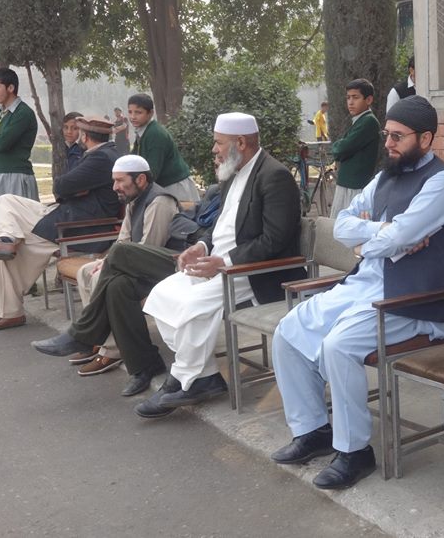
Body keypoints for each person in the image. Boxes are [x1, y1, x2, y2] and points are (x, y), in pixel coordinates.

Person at [31, 113, 304, 401]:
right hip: (209, 263)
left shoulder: (274, 176)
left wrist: (225, 262)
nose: (214, 149)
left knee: (127, 258)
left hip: (250, 273)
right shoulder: (232, 173)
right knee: (123, 286)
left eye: (218, 142)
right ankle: (153, 367)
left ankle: (186, 374)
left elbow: (274, 239)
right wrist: (202, 246)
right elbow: (220, 227)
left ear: (241, 142)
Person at [269, 96, 444, 490]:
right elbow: (342, 226)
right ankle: (313, 429)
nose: (388, 143)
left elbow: (399, 235)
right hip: (364, 284)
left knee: (338, 347)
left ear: (425, 139)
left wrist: (375, 239)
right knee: (288, 332)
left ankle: (355, 451)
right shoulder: (384, 177)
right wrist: (382, 235)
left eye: (397, 136)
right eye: (386, 135)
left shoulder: (443, 183)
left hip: (411, 299)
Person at [0, 117, 121, 332]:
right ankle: (7, 239)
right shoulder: (105, 154)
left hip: (79, 226)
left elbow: (61, 185)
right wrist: (74, 189)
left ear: (85, 136)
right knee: (5, 201)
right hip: (67, 214)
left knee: (17, 248)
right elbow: (68, 185)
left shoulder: (101, 157)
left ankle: (10, 312)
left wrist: (70, 189)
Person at [69, 154, 180, 376]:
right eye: (114, 180)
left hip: (158, 269)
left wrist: (111, 263)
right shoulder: (133, 199)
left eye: (120, 180)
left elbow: (149, 247)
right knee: (86, 271)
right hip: (133, 263)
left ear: (140, 179)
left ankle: (112, 350)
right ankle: (98, 339)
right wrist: (105, 261)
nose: (115, 187)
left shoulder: (160, 201)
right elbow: (123, 240)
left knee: (103, 278)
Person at [0, 67, 39, 230]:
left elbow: (2, 143)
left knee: (16, 229)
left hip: (16, 176)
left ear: (10, 87)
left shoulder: (23, 113)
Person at [128, 93, 199, 202]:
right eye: (130, 112)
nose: (133, 117)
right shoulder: (143, 131)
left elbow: (152, 172)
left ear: (150, 113)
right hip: (163, 188)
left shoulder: (155, 134)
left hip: (174, 187)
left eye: (138, 112)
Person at [329, 78, 381, 216]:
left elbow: (341, 149)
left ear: (368, 100)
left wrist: (337, 146)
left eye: (355, 97)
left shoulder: (369, 121)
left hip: (355, 187)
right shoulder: (359, 120)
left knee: (347, 222)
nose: (350, 102)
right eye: (348, 98)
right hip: (348, 184)